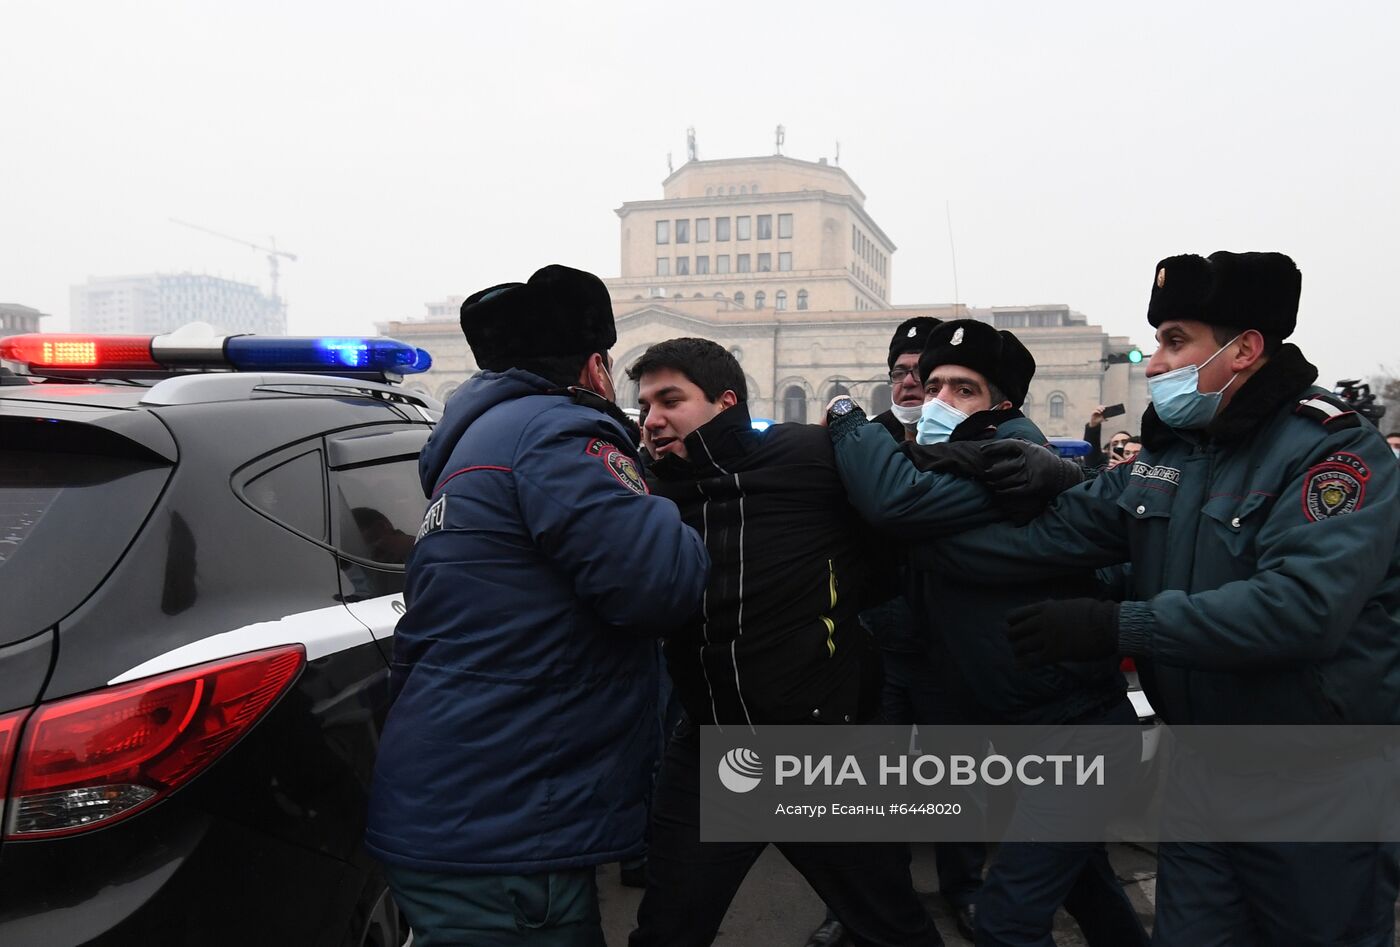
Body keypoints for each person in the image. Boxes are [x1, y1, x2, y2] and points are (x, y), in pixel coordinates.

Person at [919, 252, 1400, 946]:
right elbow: (1060, 531)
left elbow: (1300, 608)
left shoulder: (1331, 453)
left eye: (1176, 341)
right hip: (1202, 772)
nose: (1153, 362)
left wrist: (1119, 624)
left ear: (1246, 349)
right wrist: (908, 528)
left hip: (1316, 783)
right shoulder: (1177, 454)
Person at [365, 265, 710, 947]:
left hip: (466, 803)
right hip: (506, 823)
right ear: (595, 368)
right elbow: (657, 581)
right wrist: (670, 510)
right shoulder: (559, 433)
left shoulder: (477, 443)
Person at [826, 319, 1149, 947]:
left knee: (1008, 921)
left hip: (1071, 729)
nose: (939, 399)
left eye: (962, 389)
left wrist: (845, 417)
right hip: (1021, 720)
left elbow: (893, 502)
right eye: (935, 383)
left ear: (999, 404)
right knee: (1090, 890)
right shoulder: (949, 453)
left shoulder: (1004, 457)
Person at [625, 337, 949, 947]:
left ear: (725, 403)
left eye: (670, 400)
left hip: (820, 754)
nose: (653, 420)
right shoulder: (650, 492)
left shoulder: (811, 457)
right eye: (644, 406)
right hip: (708, 752)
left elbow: (907, 512)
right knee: (667, 932)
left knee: (892, 929)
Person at [814, 315, 983, 945]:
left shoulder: (976, 446)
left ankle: (965, 887)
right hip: (874, 642)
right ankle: (861, 902)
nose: (911, 386)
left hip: (948, 644)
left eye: (923, 375)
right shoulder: (862, 443)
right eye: (900, 375)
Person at [1083, 403, 1132, 469]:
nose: (1119, 446)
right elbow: (1091, 455)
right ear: (1109, 450)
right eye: (1115, 444)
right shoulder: (1102, 465)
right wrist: (1093, 424)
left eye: (1124, 443)